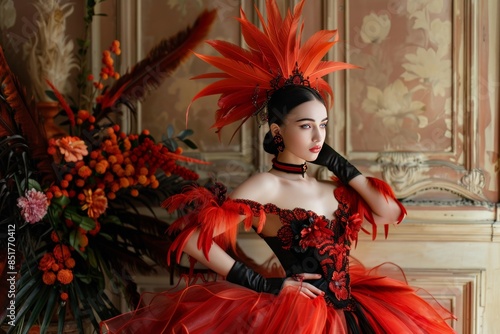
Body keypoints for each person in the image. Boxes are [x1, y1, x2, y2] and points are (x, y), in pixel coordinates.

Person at [101, 0, 456, 333]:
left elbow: (389, 212)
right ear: (277, 130)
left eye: (323, 124)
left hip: (357, 310)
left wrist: (338, 163)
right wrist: (265, 284)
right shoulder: (265, 187)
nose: (318, 135)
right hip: (299, 318)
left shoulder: (332, 188)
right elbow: (195, 241)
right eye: (305, 125)